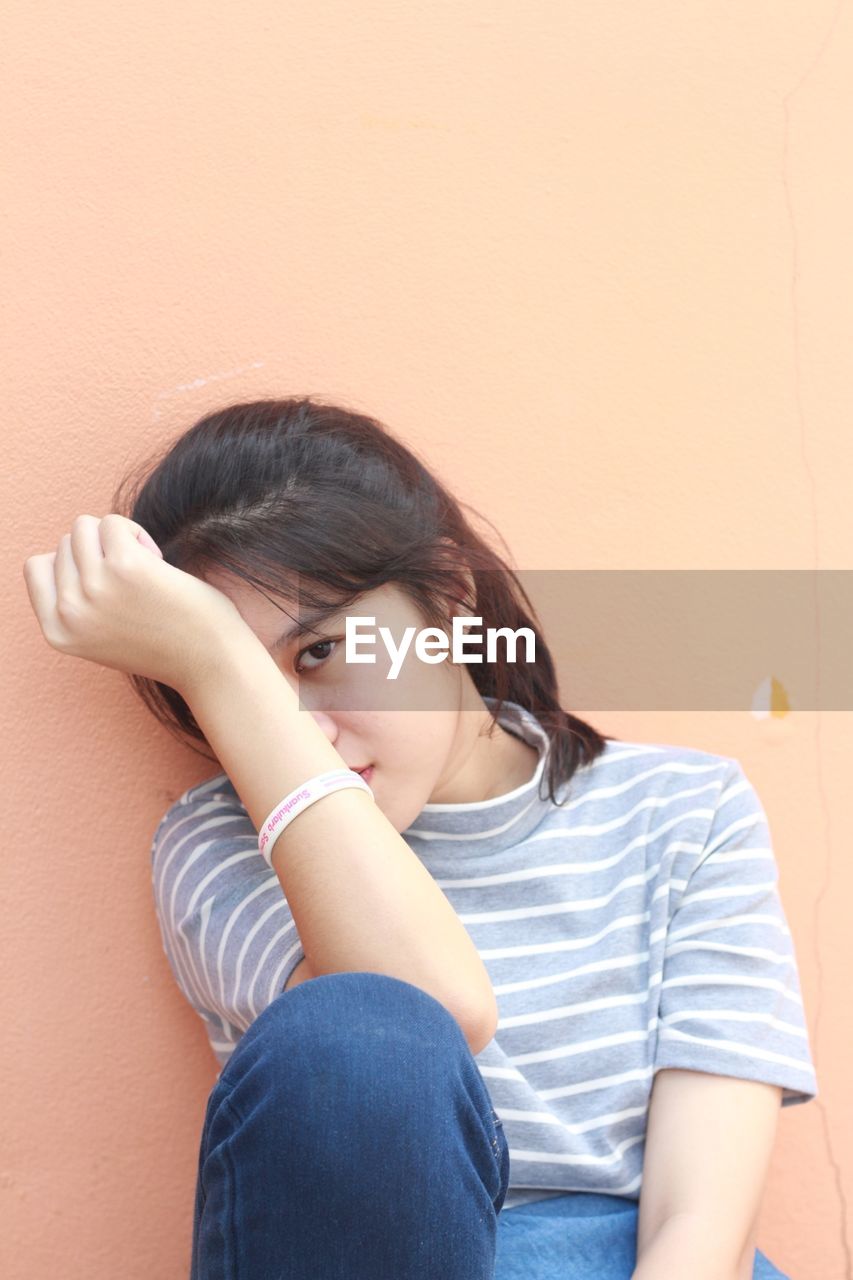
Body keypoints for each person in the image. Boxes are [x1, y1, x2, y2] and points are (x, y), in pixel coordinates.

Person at [22, 396, 818, 1280]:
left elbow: (702, 1222)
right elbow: (427, 1009)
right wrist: (209, 659)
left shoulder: (683, 808)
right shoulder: (224, 847)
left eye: (318, 653)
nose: (305, 732)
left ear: (447, 594)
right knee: (358, 1033)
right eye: (243, 692)